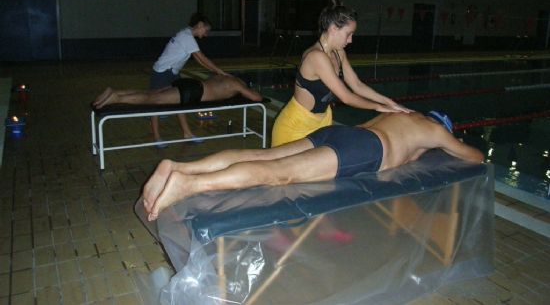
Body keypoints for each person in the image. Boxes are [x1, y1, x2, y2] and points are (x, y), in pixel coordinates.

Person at [142, 110, 484, 221]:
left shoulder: (403, 115)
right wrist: (435, 146)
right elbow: (475, 157)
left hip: (339, 132)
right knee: (279, 175)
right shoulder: (435, 130)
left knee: (263, 156)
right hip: (364, 150)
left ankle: (180, 167)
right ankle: (188, 186)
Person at [271, 0, 411, 147]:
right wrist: (378, 107)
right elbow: (346, 97)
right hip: (295, 128)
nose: (350, 40)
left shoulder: (338, 53)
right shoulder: (316, 57)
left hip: (320, 124)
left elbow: (357, 85)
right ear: (333, 29)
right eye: (348, 34)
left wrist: (389, 102)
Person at [150, 13, 228, 147]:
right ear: (200, 25)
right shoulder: (186, 37)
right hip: (162, 72)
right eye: (206, 30)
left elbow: (198, 59)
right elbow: (202, 57)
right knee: (156, 105)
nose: (207, 34)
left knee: (181, 102)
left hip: (172, 73)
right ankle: (157, 138)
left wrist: (215, 71)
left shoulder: (187, 35)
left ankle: (187, 134)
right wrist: (220, 72)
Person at [93, 74, 262, 109]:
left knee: (151, 94)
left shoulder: (223, 77)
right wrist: (246, 90)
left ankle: (115, 92)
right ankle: (115, 98)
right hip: (193, 92)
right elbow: (256, 98)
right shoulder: (236, 84)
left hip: (189, 83)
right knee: (151, 99)